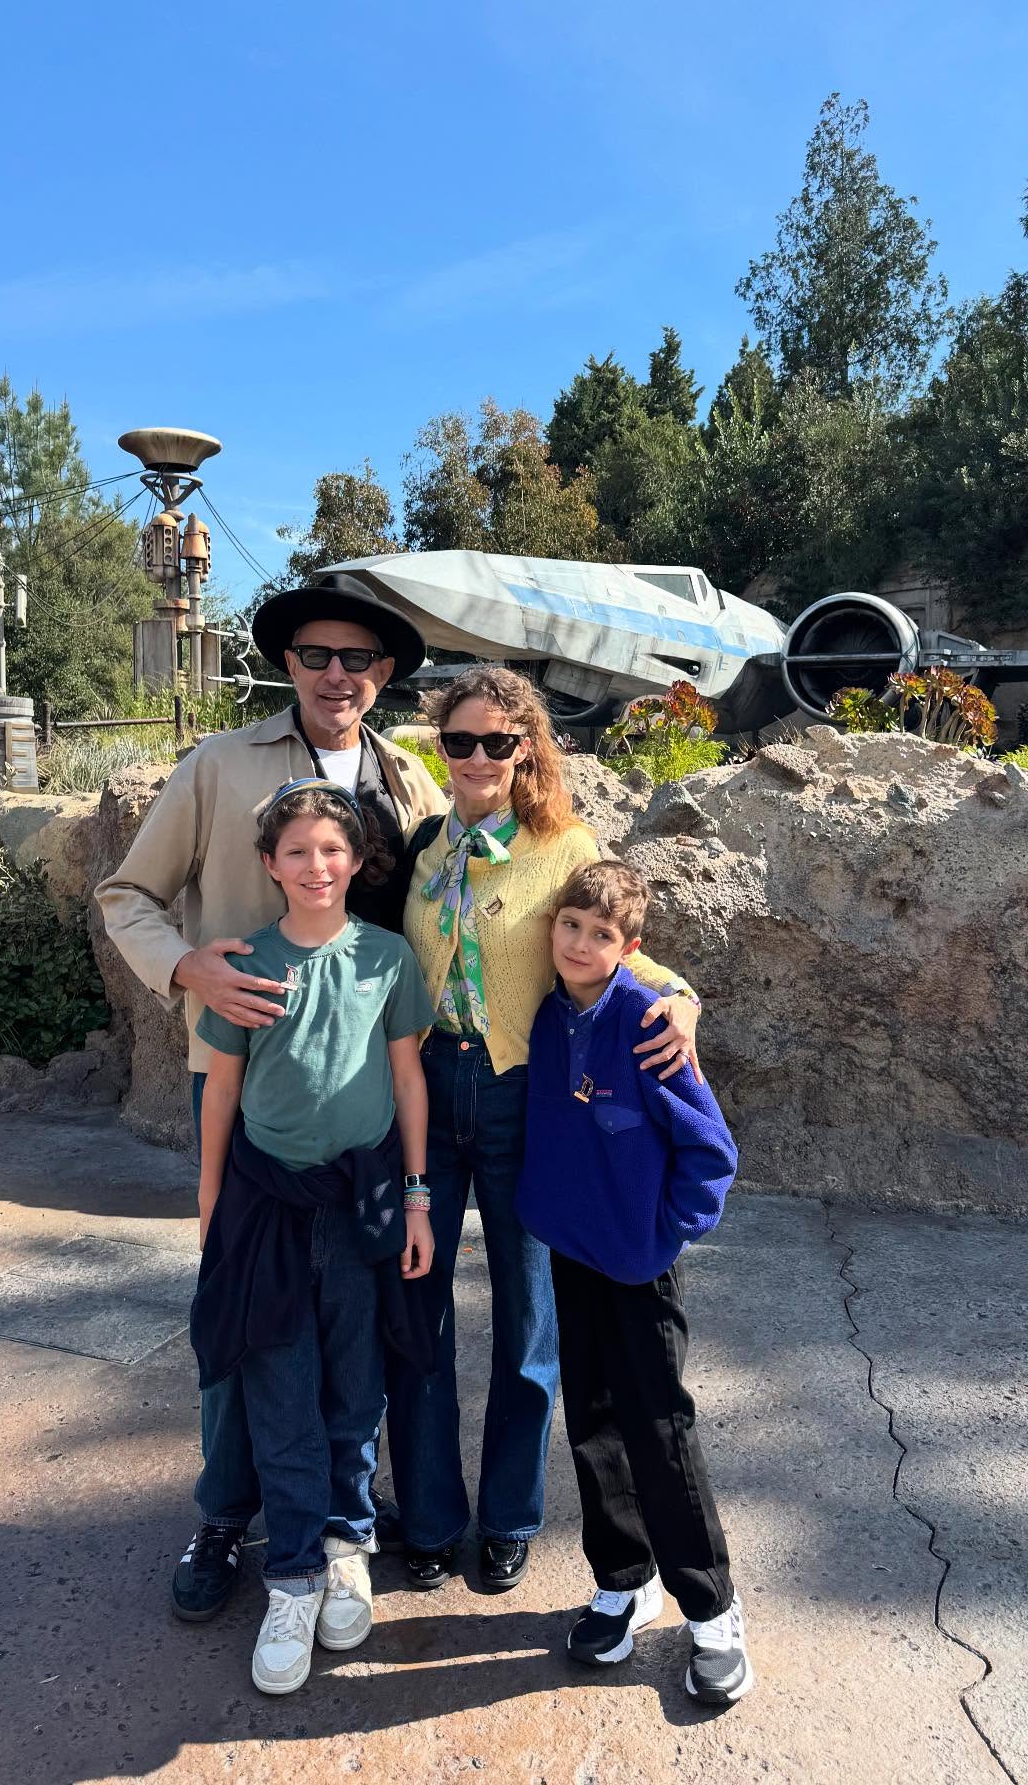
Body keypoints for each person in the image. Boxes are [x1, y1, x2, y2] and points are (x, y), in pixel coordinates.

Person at [95, 575, 445, 1624]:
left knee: (352, 1319)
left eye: (358, 659)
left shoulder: (412, 779)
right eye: (316, 656)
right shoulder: (220, 766)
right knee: (242, 1316)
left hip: (366, 1098)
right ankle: (224, 1511)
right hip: (250, 1096)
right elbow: (129, 894)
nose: (338, 675)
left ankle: (343, 1512)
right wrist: (184, 969)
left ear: (380, 676)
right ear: (286, 664)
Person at [386, 665, 704, 1593]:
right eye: (460, 740)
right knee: (419, 1313)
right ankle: (434, 1517)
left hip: (524, 1097)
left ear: (526, 747)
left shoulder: (562, 843)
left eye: (498, 741)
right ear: (438, 746)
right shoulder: (423, 845)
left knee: (530, 1319)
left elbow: (618, 941)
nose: (479, 757)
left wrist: (680, 998)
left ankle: (511, 1517)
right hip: (428, 1088)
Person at [190, 780, 436, 1694]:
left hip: (364, 1205)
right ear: (270, 865)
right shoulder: (242, 962)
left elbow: (407, 1080)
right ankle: (289, 1573)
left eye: (333, 851)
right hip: (265, 1211)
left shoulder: (386, 958)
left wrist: (417, 1197)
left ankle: (348, 1543)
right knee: (279, 1388)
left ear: (358, 861)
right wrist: (211, 1205)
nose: (316, 866)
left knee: (355, 1386)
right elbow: (221, 1091)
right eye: (297, 852)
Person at [515, 859, 751, 1706]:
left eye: (601, 935)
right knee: (593, 1421)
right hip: (573, 1256)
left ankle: (712, 1609)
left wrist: (666, 1234)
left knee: (661, 1430)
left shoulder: (650, 1024)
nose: (580, 944)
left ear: (630, 949)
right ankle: (623, 1577)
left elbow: (710, 1152)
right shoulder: (548, 1018)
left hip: (639, 1266)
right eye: (570, 926)